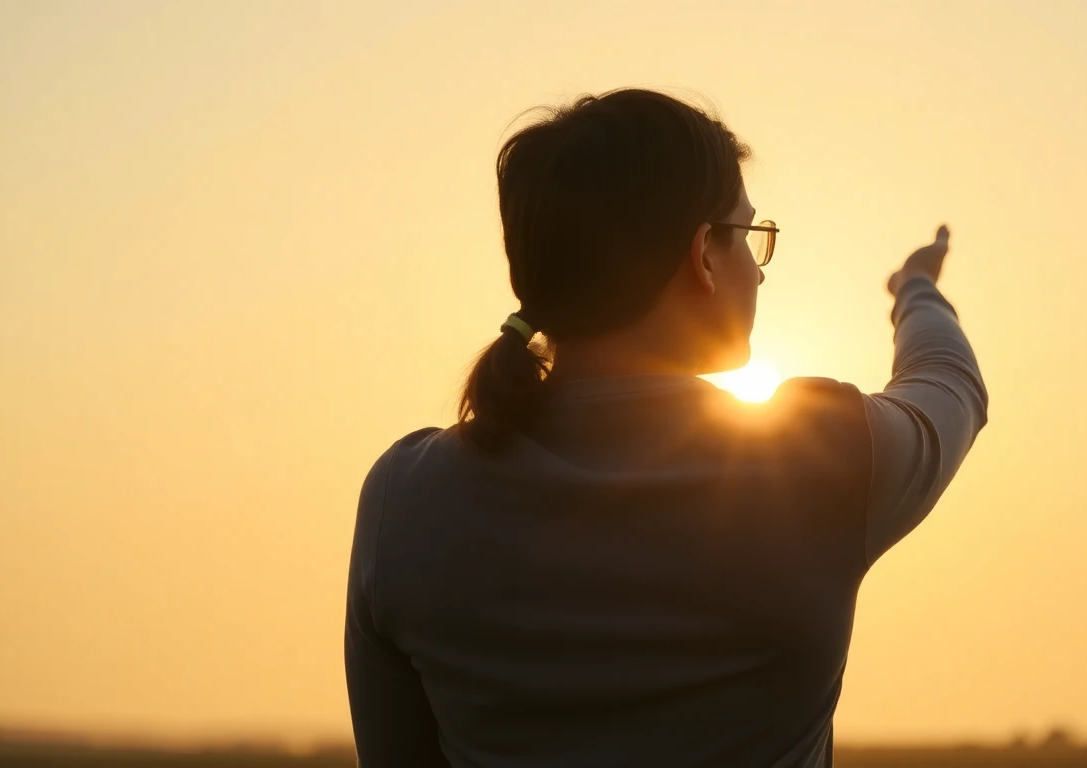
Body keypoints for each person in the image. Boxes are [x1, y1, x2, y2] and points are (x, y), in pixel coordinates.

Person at [345, 88, 988, 768]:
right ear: (701, 255)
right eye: (748, 236)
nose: (759, 273)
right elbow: (950, 385)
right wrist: (915, 287)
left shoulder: (406, 501)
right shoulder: (817, 460)